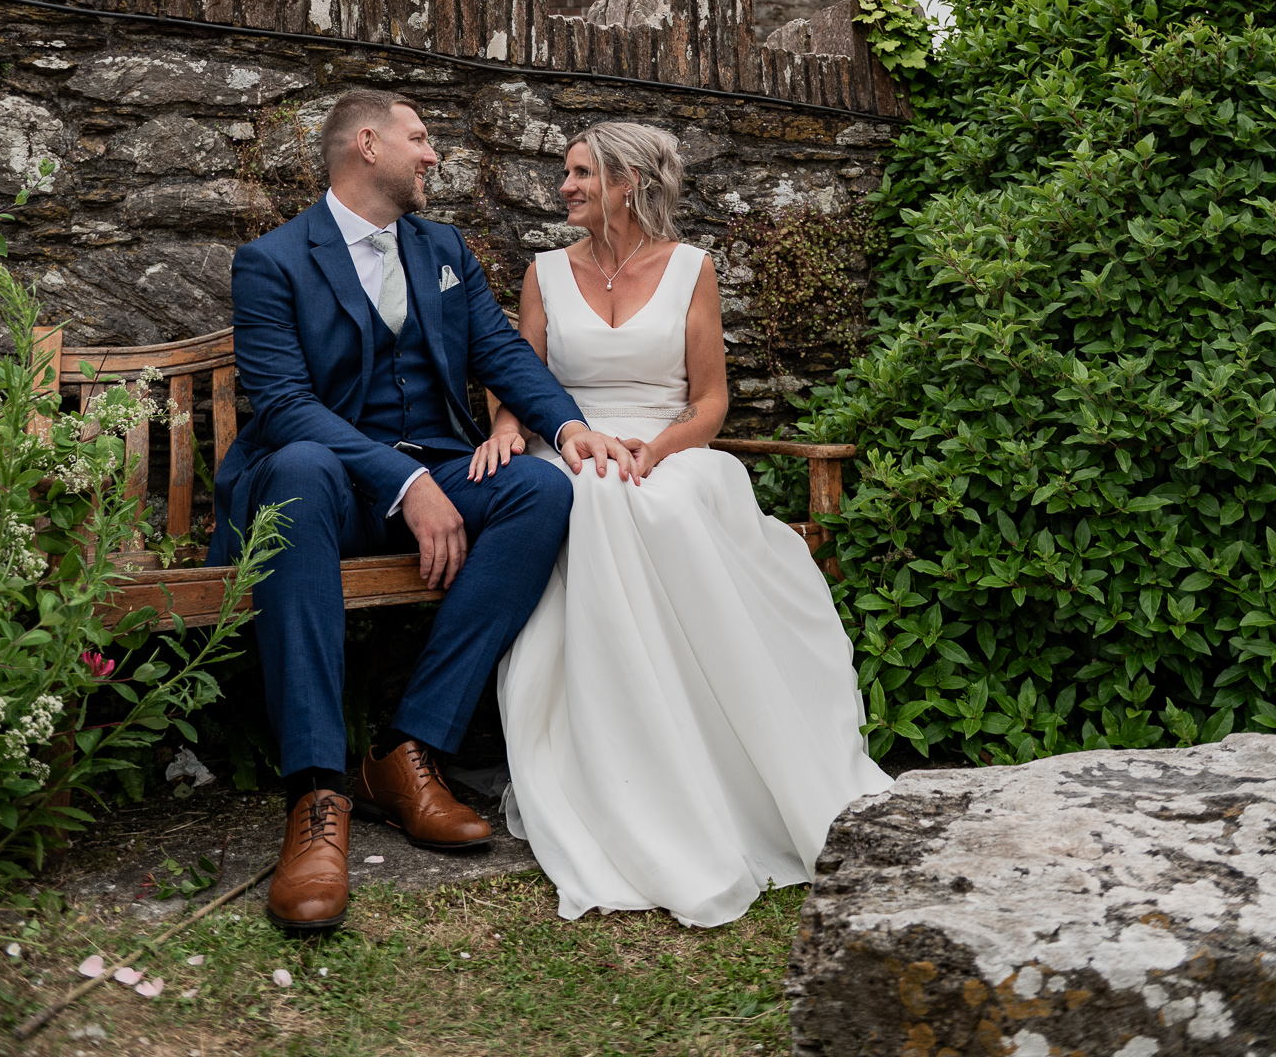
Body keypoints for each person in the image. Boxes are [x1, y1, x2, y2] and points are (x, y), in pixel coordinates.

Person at [207, 88, 639, 936]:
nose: (433, 154)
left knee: (540, 488)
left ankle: (406, 752)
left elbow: (499, 352)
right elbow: (285, 403)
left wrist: (570, 427)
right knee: (294, 464)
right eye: (419, 138)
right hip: (327, 490)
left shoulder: (442, 250)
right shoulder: (272, 261)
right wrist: (408, 486)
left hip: (436, 474)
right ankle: (316, 795)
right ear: (366, 145)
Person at [478, 121, 892, 929]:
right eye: (564, 175)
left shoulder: (690, 270)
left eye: (578, 174)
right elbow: (513, 374)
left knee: (664, 499)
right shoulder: (543, 275)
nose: (562, 188)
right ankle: (619, 756)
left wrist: (657, 448)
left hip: (668, 448)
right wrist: (503, 427)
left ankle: (722, 755)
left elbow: (709, 403)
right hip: (569, 446)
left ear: (627, 182)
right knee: (589, 494)